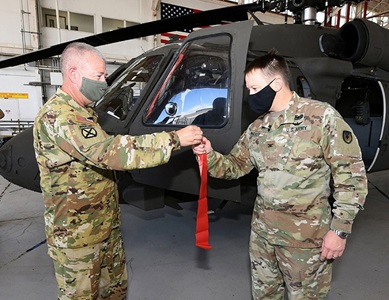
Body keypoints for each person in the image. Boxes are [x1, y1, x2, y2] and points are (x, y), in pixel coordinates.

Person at [33, 42, 203, 300]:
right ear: (74, 74)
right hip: (77, 238)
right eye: (99, 76)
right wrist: (173, 139)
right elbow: (108, 153)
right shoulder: (59, 116)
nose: (104, 82)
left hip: (104, 227)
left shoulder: (85, 112)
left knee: (115, 292)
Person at [193, 49, 368, 299]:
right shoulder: (258, 127)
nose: (251, 95)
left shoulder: (321, 117)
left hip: (306, 242)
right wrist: (207, 153)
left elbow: (351, 178)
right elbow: (233, 167)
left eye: (254, 88)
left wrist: (339, 230)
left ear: (276, 83)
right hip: (263, 237)